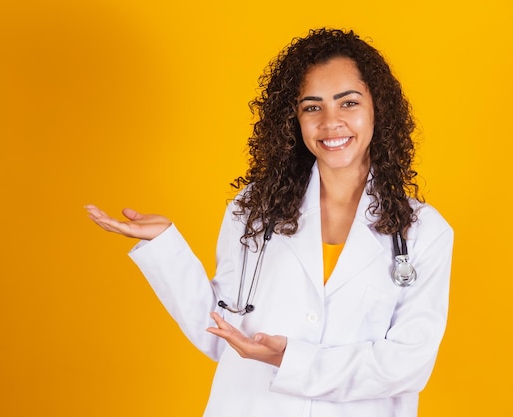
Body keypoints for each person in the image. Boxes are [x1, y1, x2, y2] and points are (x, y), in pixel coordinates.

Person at [86, 28, 453, 417]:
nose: (331, 122)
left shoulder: (423, 233)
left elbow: (407, 365)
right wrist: (165, 247)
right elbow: (221, 335)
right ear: (292, 119)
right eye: (312, 107)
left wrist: (291, 360)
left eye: (348, 103)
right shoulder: (254, 210)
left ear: (378, 107)